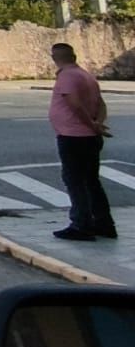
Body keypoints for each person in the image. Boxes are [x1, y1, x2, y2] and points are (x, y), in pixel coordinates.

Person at [48, 43, 116, 241]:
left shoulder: (66, 77)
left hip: (73, 136)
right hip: (89, 137)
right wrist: (98, 123)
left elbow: (74, 103)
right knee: (91, 181)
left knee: (75, 181)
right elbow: (101, 103)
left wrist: (92, 124)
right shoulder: (86, 75)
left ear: (54, 58)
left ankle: (81, 225)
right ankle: (103, 223)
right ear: (74, 56)